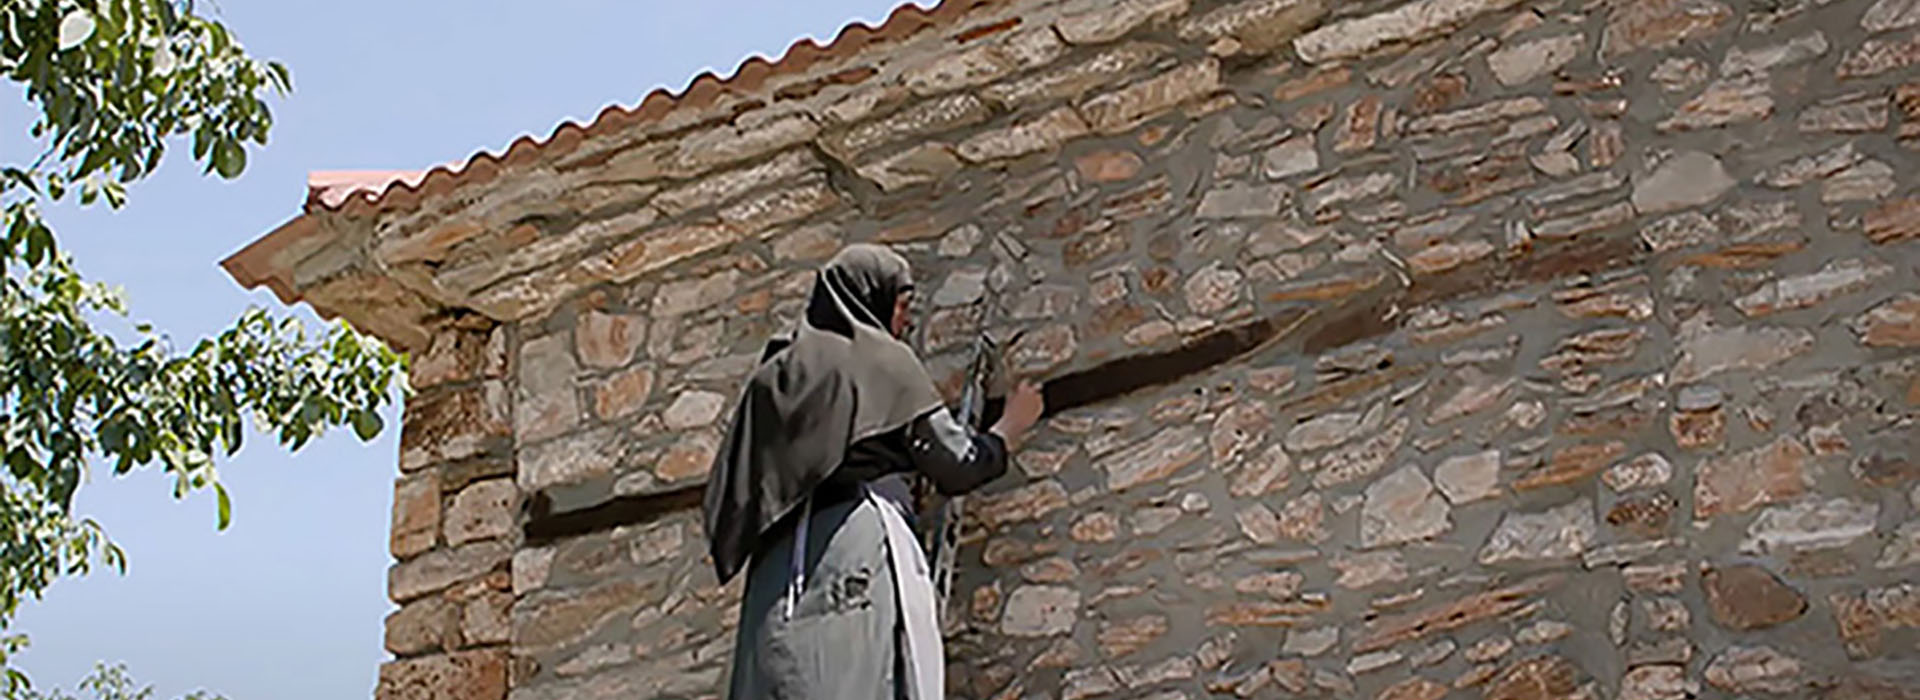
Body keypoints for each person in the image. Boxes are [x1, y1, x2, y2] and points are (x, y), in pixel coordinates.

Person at [703, 243, 1046, 700]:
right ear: (872, 298)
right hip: (856, 551)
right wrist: (1009, 427)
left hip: (775, 586)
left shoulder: (772, 379)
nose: (904, 321)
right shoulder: (878, 359)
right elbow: (956, 463)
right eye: (902, 306)